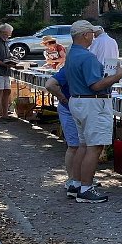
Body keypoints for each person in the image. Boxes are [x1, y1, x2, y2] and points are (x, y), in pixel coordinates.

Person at [64, 20, 122, 203]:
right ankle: (86, 188)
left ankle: (75, 183)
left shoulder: (72, 53)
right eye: (91, 33)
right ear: (85, 35)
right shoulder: (87, 57)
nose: (93, 37)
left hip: (78, 101)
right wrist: (117, 76)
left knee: (83, 145)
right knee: (94, 146)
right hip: (92, 103)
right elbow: (96, 85)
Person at [45, 68, 81, 198]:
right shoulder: (68, 70)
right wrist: (63, 98)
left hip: (76, 108)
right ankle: (73, 179)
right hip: (70, 109)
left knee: (80, 146)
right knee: (74, 146)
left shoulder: (78, 66)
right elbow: (49, 85)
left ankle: (80, 178)